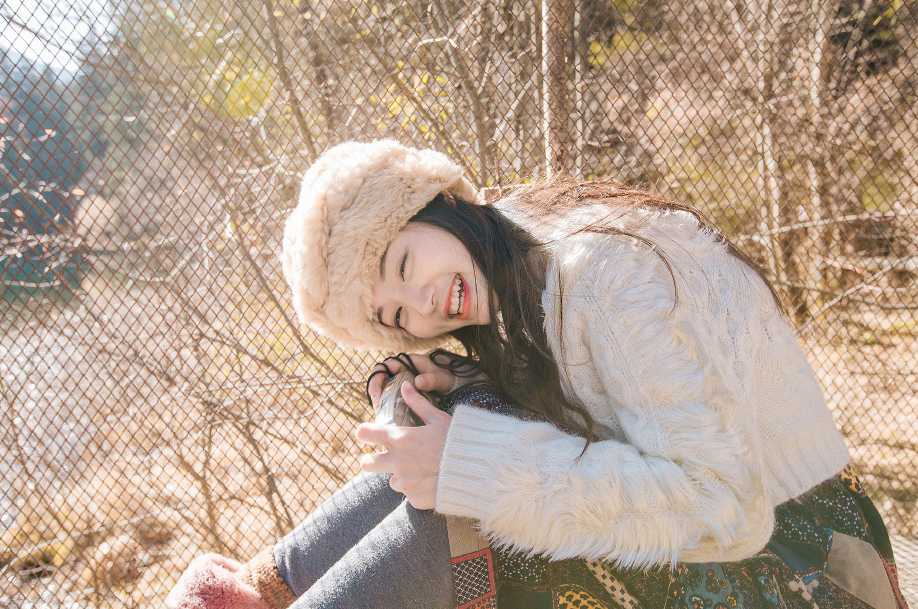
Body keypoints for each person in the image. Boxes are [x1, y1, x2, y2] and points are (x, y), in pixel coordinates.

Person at [167, 140, 910, 609]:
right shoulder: (518, 257)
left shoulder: (603, 277)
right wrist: (446, 397)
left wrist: (468, 461)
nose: (423, 304)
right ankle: (254, 592)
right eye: (395, 316)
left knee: (462, 504)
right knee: (457, 438)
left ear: (440, 201)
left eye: (403, 265)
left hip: (807, 561)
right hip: (753, 538)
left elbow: (727, 508)